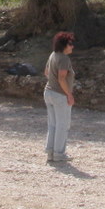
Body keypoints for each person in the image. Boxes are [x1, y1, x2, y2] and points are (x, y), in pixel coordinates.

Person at [43, 31, 76, 163]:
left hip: (48, 92)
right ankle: (59, 154)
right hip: (59, 95)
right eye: (70, 44)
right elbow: (62, 78)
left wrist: (53, 84)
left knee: (52, 124)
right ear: (64, 45)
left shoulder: (53, 55)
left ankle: (50, 152)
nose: (72, 46)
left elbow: (47, 72)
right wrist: (69, 94)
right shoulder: (64, 59)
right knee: (63, 125)